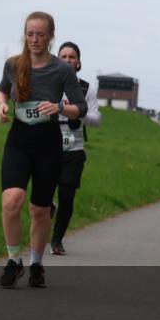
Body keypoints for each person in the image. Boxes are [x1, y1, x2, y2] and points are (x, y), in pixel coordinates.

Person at [0, 12, 87, 287]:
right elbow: (2, 90)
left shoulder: (62, 70)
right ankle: (13, 261)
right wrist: (2, 105)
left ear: (50, 37)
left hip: (48, 142)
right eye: (30, 34)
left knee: (39, 210)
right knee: (11, 200)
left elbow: (80, 108)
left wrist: (59, 107)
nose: (34, 39)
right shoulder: (13, 64)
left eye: (40, 34)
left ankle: (36, 264)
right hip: (19, 139)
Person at [48, 41, 101, 254]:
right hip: (48, 148)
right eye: (63, 56)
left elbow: (96, 119)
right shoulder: (47, 84)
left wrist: (78, 112)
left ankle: (56, 241)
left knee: (67, 197)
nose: (68, 60)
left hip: (74, 150)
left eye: (72, 57)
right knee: (42, 198)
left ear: (78, 62)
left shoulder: (86, 89)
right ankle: (49, 209)